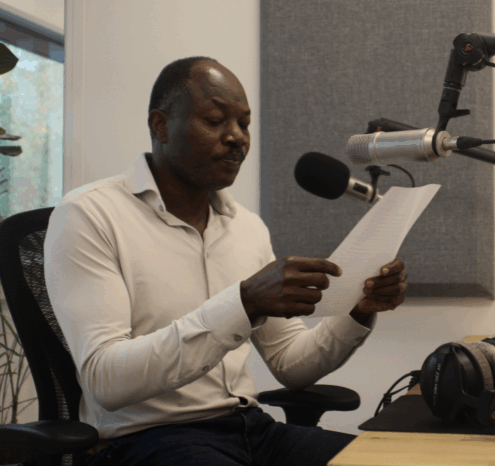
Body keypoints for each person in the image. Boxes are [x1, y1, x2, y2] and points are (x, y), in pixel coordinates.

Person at [44, 56, 409, 466]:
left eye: (245, 123)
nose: (237, 137)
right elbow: (105, 380)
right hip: (145, 440)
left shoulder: (247, 228)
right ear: (160, 125)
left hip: (251, 429)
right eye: (216, 120)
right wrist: (244, 302)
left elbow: (291, 364)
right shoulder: (89, 215)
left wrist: (357, 313)